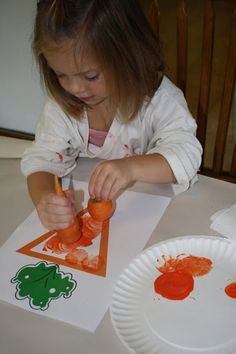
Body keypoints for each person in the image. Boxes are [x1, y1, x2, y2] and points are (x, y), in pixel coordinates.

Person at [21, 0, 202, 232]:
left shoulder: (159, 101)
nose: (75, 88)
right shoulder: (61, 106)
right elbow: (41, 159)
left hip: (153, 222)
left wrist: (131, 168)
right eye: (61, 75)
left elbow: (187, 155)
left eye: (91, 76)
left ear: (127, 54)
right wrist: (44, 198)